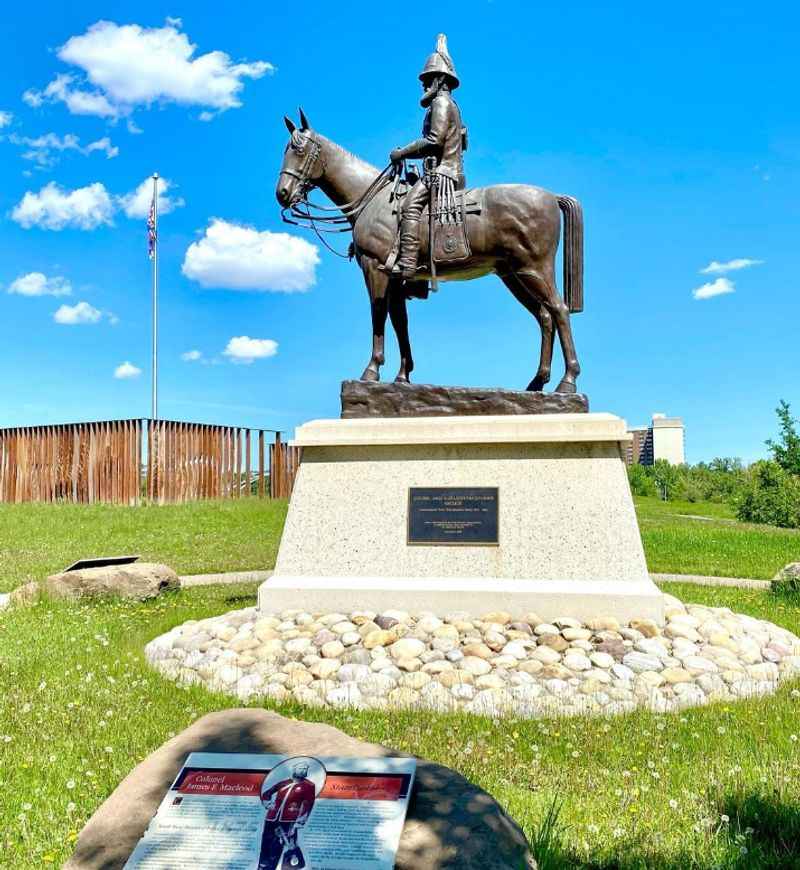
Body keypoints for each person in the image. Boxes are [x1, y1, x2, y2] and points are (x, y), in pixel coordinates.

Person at [389, 33, 466, 279]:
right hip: (441, 169)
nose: (424, 85)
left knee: (410, 207)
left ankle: (408, 265)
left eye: (428, 79)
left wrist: (402, 152)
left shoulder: (441, 104)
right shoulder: (449, 104)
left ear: (440, 79)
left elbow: (435, 140)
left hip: (443, 173)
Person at [258, 761, 317, 870]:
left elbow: (308, 804)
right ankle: (261, 867)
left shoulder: (309, 786)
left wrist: (299, 822)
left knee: (278, 846)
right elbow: (267, 793)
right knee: (266, 843)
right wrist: (267, 803)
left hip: (288, 820)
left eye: (305, 768)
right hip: (271, 817)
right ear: (294, 769)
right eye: (300, 767)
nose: (303, 770)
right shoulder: (284, 783)